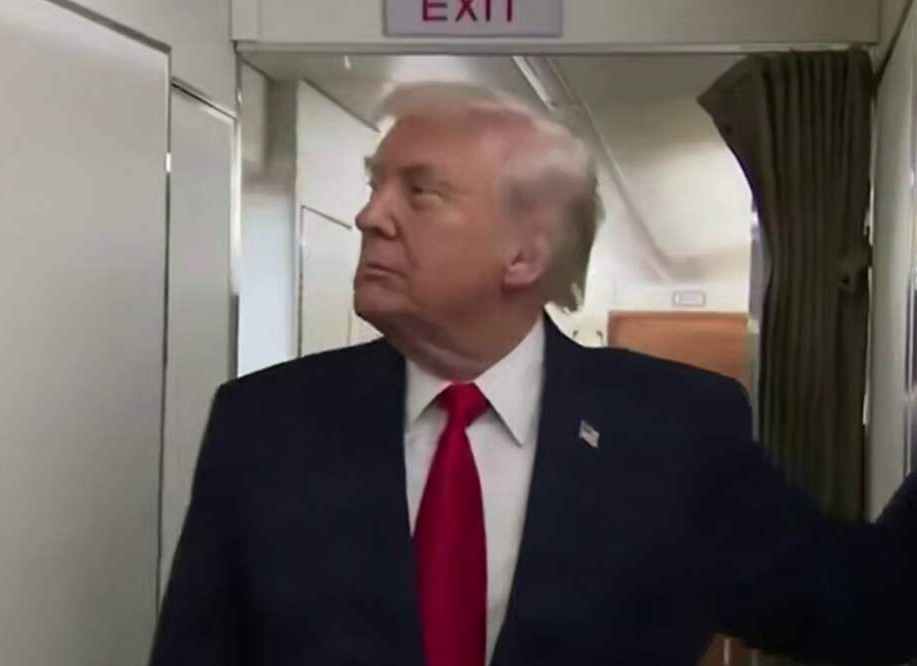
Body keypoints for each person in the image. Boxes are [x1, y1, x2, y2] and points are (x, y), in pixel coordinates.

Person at [149, 83, 917, 665]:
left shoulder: (675, 432)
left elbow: (865, 611)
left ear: (524, 256)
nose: (370, 215)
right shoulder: (264, 425)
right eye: (375, 184)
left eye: (419, 191)